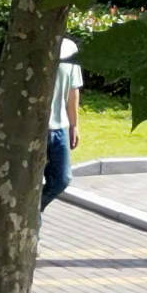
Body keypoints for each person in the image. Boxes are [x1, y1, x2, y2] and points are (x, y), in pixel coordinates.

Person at [44, 36, 84, 208]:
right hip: (34, 129)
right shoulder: (33, 45)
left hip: (60, 127)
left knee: (62, 179)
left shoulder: (70, 48)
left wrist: (74, 125)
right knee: (29, 180)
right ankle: (31, 225)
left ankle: (33, 209)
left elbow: (73, 90)